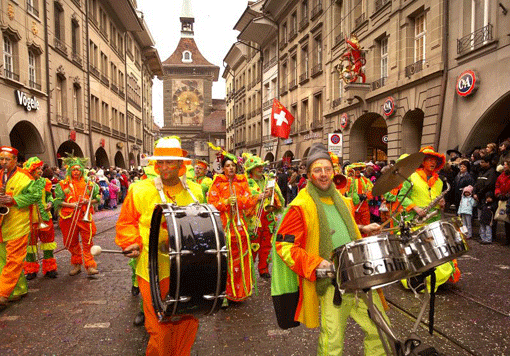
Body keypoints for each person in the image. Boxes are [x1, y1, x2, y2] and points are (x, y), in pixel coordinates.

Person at [271, 143, 387, 355]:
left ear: (334, 172)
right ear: (309, 174)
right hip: (332, 282)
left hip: (361, 275)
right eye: (317, 170)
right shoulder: (300, 206)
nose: (323, 175)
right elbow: (284, 245)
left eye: (327, 169)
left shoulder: (343, 201)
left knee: (380, 331)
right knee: (333, 341)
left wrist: (362, 228)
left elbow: (337, 227)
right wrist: (315, 263)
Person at [116, 136, 204, 355]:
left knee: (187, 319)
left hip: (187, 267)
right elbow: (126, 222)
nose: (164, 168)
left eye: (170, 162)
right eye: (161, 162)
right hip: (152, 267)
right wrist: (131, 243)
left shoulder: (196, 191)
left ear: (181, 165)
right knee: (159, 322)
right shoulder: (139, 189)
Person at [398, 146, 460, 291]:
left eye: (435, 160)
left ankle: (432, 280)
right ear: (422, 162)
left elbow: (438, 202)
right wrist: (415, 208)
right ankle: (414, 280)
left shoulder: (439, 182)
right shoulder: (411, 177)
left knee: (436, 254)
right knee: (415, 255)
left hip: (433, 221)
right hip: (415, 222)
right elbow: (401, 197)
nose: (432, 163)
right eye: (429, 160)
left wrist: (441, 204)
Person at [208, 153, 256, 302]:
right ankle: (224, 293)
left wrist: (238, 201)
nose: (231, 168)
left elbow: (249, 201)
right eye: (228, 166)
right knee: (224, 259)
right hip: (223, 227)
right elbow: (211, 204)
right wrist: (226, 202)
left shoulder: (242, 182)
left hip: (240, 228)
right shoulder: (217, 183)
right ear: (222, 168)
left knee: (241, 257)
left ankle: (239, 292)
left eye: (233, 166)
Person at [0, 146, 40, 306]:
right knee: (3, 259)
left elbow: (36, 195)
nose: (3, 162)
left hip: (18, 222)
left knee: (14, 260)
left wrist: (13, 200)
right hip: (2, 224)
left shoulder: (26, 177)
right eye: (1, 159)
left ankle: (2, 292)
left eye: (6, 159)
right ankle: (18, 289)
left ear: (16, 160)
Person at [54, 156, 101, 276]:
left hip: (84, 217)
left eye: (78, 169)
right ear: (70, 170)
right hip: (68, 217)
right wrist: (70, 204)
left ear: (81, 171)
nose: (76, 172)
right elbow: (58, 201)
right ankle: (76, 264)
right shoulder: (63, 184)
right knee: (71, 242)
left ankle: (90, 265)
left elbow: (97, 198)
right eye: (73, 169)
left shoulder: (89, 184)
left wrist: (87, 202)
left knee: (88, 241)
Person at [244, 153, 284, 279]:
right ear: (251, 169)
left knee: (267, 244)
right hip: (253, 218)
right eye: (258, 167)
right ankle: (249, 270)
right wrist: (257, 197)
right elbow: (242, 200)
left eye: (262, 166)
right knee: (253, 244)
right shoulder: (245, 182)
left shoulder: (269, 180)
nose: (261, 169)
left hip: (268, 216)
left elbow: (280, 199)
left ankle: (263, 268)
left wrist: (273, 193)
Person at [23, 157, 58, 280]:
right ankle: (31, 269)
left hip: (44, 217)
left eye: (40, 168)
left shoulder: (45, 182)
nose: (40, 171)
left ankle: (50, 268)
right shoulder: (24, 182)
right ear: (30, 170)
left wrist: (50, 203)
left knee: (48, 243)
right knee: (30, 245)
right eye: (37, 168)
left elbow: (49, 197)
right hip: (29, 218)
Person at [494, 159, 510, 245]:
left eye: (505, 165)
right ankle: (507, 239)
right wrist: (498, 194)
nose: (504, 166)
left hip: (509, 199)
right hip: (503, 200)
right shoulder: (501, 176)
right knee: (506, 220)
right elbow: (497, 185)